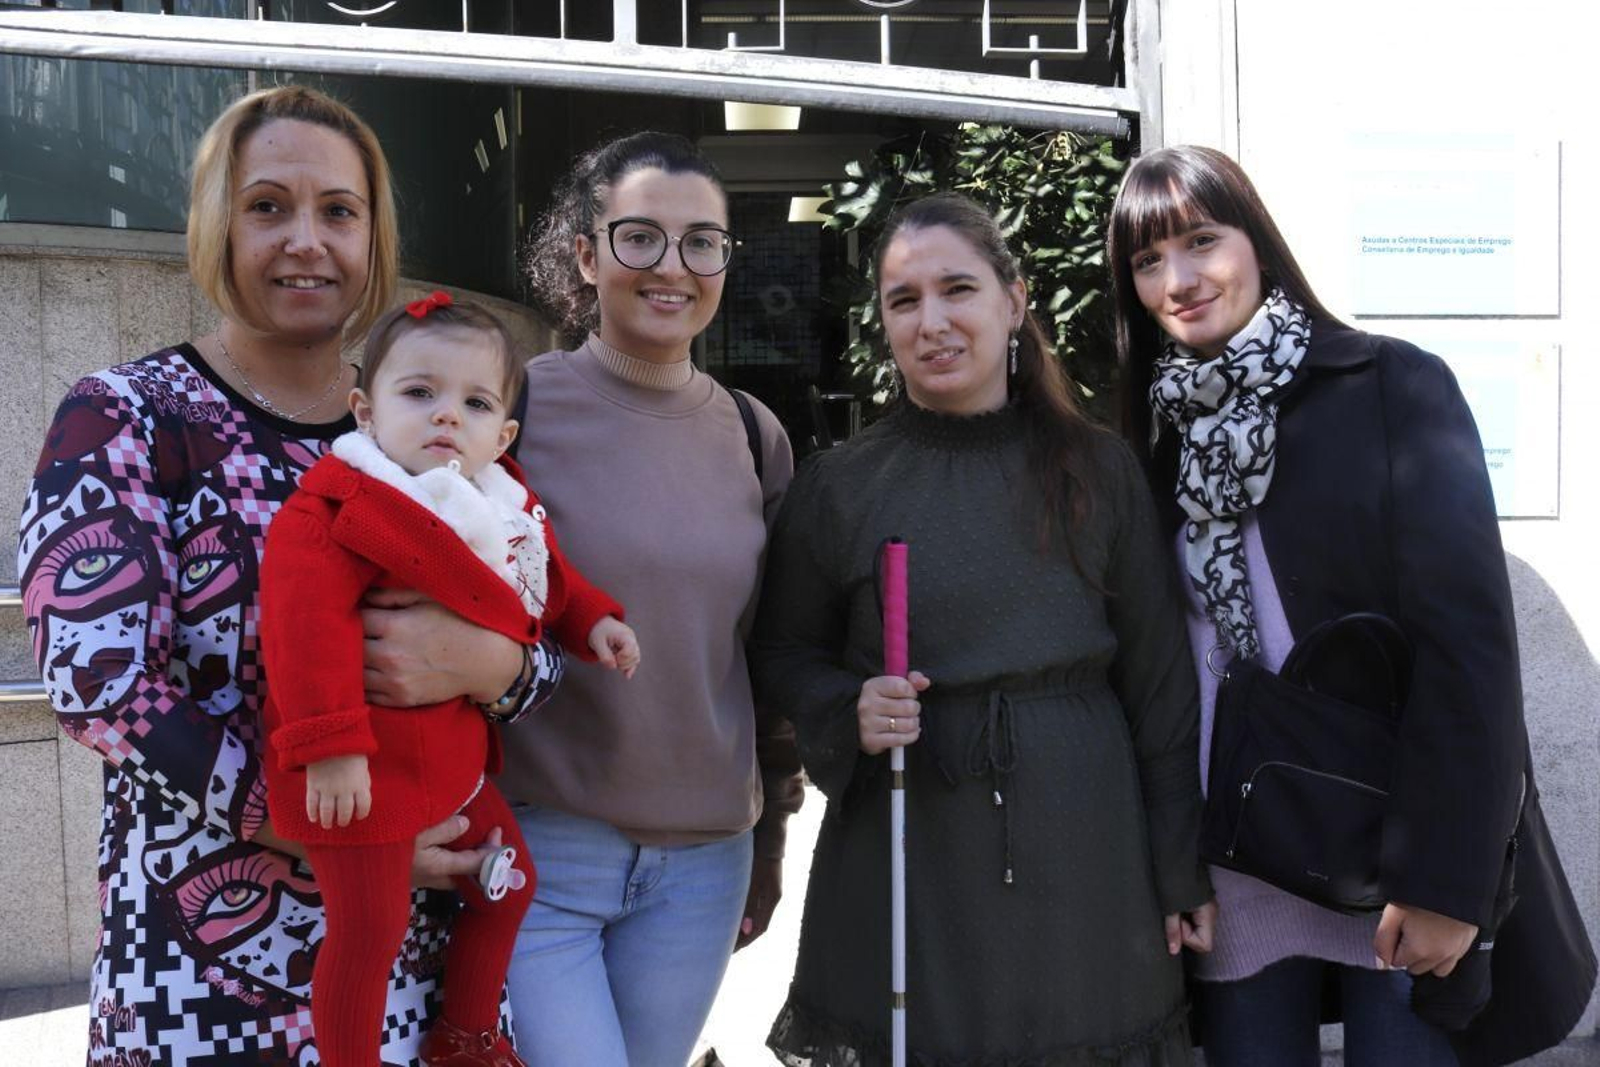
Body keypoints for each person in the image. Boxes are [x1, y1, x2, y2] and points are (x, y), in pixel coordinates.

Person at [17, 86, 562, 1066]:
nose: (305, 239)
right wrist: (303, 820)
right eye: (268, 205)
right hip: (207, 978)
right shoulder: (131, 416)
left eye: (338, 211)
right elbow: (96, 682)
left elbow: (540, 634)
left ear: (374, 233)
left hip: (424, 978)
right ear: (218, 222)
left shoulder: (433, 427)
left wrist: (487, 664)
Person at [1106, 144, 1596, 1067]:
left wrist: (1450, 877)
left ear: (1257, 242)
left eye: (1201, 241)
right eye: (1146, 261)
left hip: (1392, 853)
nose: (1178, 279)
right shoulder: (1157, 445)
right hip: (1238, 858)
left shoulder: (1390, 386)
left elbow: (1470, 649)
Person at [751, 190, 1216, 1066]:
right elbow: (780, 652)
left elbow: (1159, 685)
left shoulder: (1099, 469)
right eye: (903, 299)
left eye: (957, 289)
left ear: (1015, 299)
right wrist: (846, 704)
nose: (932, 321)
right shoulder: (840, 485)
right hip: (909, 837)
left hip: (1088, 839)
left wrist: (1179, 865)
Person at [258, 292, 640, 1067]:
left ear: (502, 435)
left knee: (511, 883)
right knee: (369, 932)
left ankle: (465, 1037)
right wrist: (329, 744)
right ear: (365, 411)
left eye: (473, 402)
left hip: (451, 764)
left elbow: (544, 576)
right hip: (358, 773)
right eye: (419, 392)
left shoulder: (498, 503)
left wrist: (591, 618)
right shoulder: (336, 507)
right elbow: (302, 628)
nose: (445, 416)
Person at [502, 130, 805, 1066]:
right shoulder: (511, 406)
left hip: (705, 862)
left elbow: (766, 656)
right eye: (640, 237)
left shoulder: (756, 436)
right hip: (545, 848)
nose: (672, 267)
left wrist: (769, 840)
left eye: (702, 242)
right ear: (587, 255)